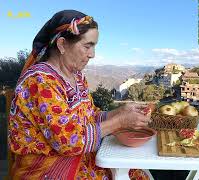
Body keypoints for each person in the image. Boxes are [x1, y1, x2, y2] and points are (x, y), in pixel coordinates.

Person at [8, 9, 152, 180]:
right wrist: (120, 122)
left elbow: (89, 117)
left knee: (137, 173)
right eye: (87, 46)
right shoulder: (40, 82)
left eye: (94, 46)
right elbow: (68, 141)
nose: (92, 54)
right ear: (62, 44)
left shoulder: (76, 77)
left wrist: (120, 113)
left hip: (80, 159)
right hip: (48, 170)